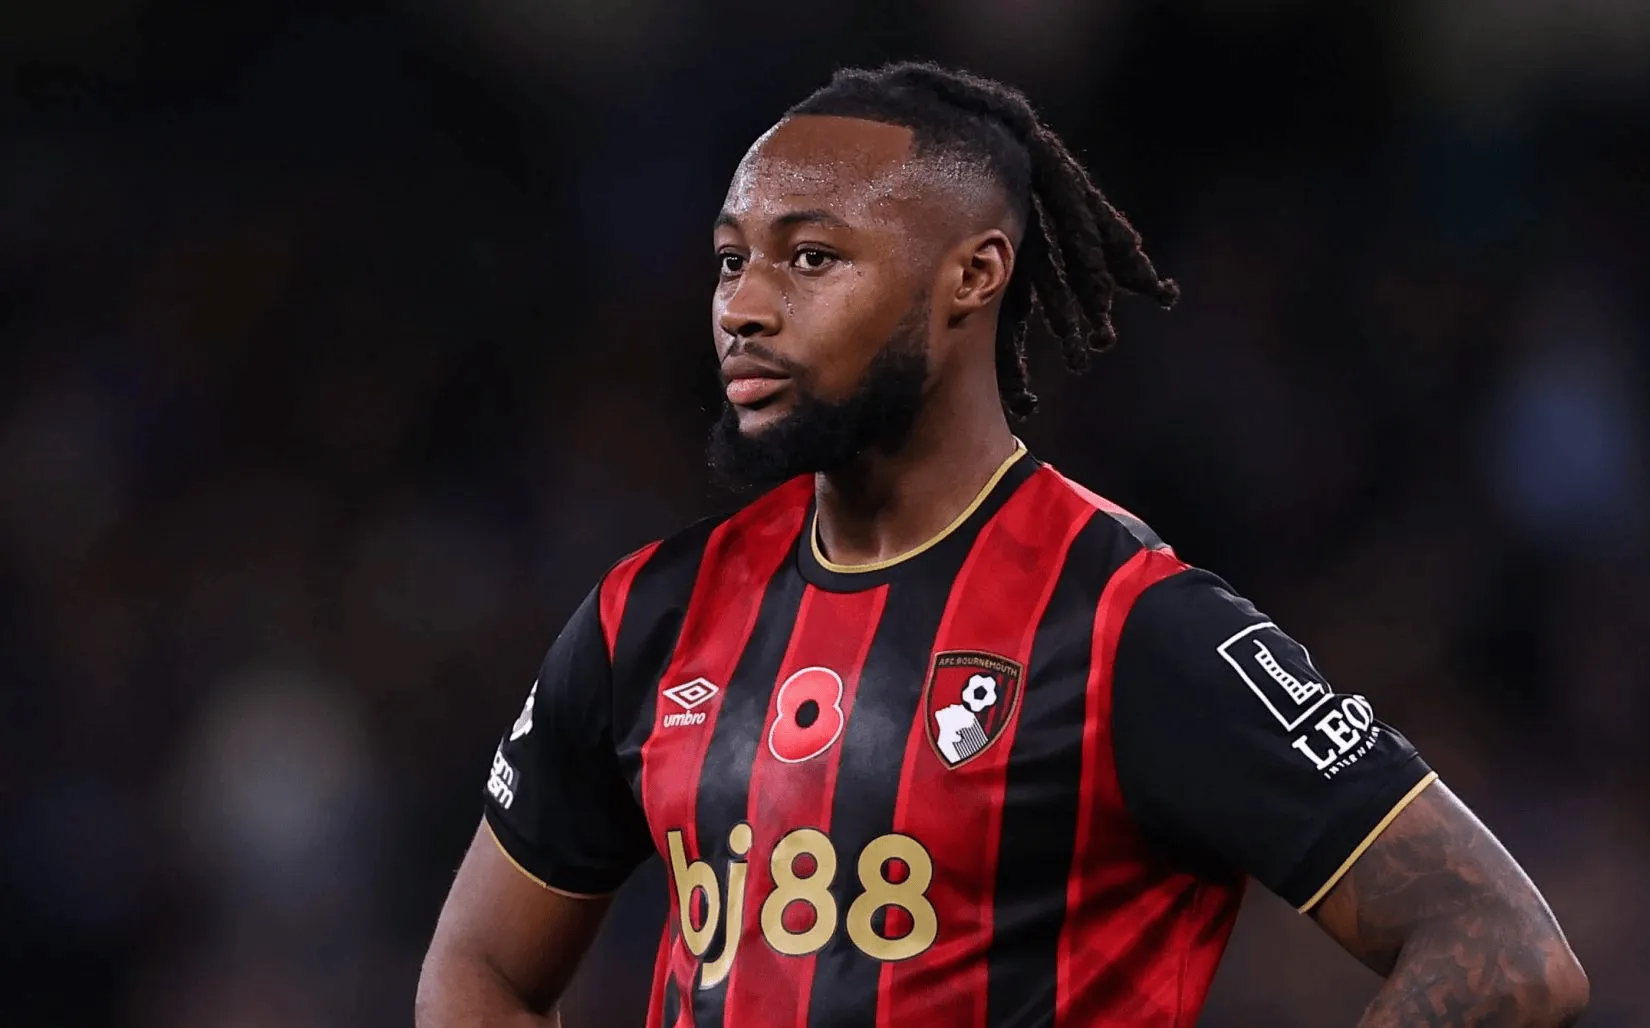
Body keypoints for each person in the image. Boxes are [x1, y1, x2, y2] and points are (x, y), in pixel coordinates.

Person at [416, 62, 1587, 1027]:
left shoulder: (1131, 625)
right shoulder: (649, 614)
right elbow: (479, 969)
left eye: (812, 257)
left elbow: (1504, 951)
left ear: (973, 274)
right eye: (733, 258)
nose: (746, 306)